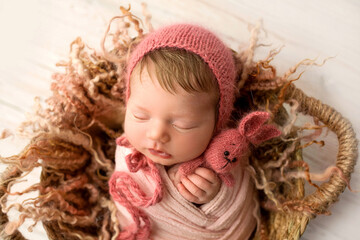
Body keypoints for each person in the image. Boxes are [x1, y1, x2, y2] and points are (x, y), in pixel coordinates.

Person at [109, 23, 258, 240]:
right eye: (140, 116)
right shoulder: (127, 152)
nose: (156, 134)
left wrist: (211, 196)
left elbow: (236, 205)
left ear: (217, 124)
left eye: (183, 125)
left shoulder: (222, 160)